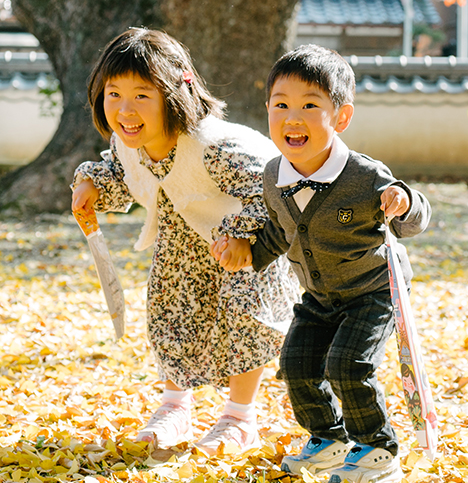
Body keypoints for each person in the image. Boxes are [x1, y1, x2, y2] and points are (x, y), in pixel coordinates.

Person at [70, 28, 298, 454]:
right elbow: (125, 175)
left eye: (142, 95)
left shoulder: (213, 146)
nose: (126, 109)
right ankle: (175, 406)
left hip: (245, 250)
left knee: (242, 323)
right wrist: (94, 185)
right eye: (113, 94)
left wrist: (239, 238)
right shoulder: (128, 143)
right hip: (181, 248)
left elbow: (274, 188)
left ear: (175, 94)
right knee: (171, 317)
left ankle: (239, 417)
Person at [211, 45, 430, 483]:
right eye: (281, 105)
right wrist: (248, 251)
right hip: (319, 295)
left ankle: (378, 449)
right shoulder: (274, 175)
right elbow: (280, 231)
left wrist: (404, 203)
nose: (293, 118)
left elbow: (413, 221)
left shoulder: (366, 176)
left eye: (310, 106)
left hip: (374, 293)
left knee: (348, 366)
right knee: (297, 364)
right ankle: (328, 439)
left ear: (341, 118)